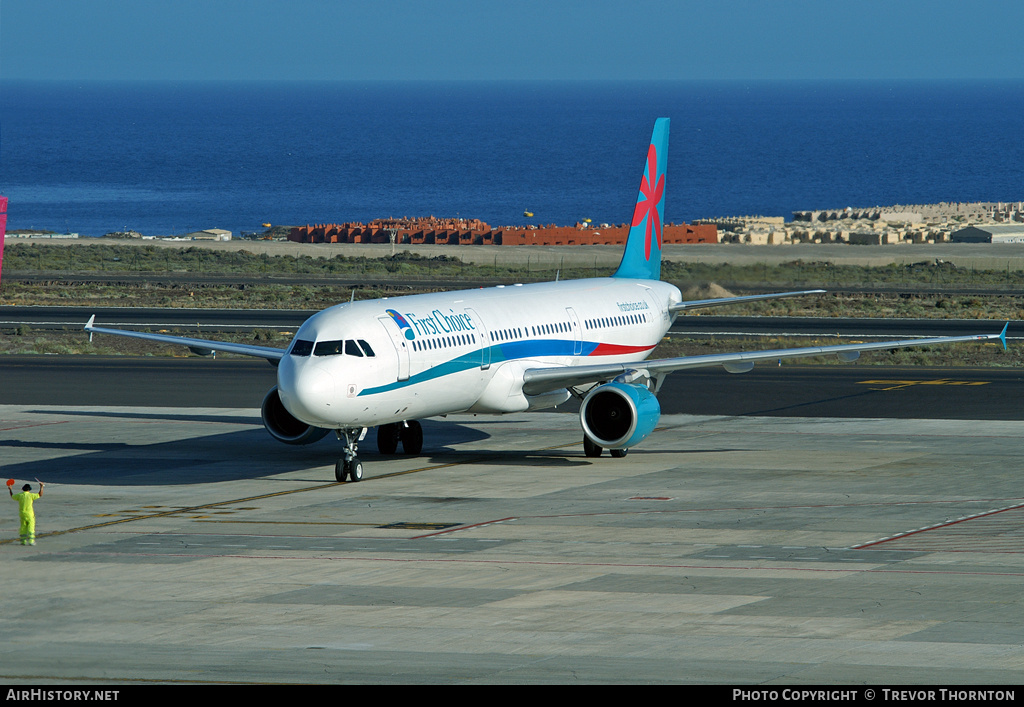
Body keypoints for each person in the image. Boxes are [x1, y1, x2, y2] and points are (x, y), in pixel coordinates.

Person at [10, 480, 43, 546]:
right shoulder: (31, 495)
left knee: (23, 527)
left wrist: (10, 490)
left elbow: (12, 496)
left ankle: (23, 541)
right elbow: (40, 494)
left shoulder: (20, 495)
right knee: (31, 527)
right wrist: (41, 487)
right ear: (29, 489)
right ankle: (31, 541)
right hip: (29, 514)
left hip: (22, 514)